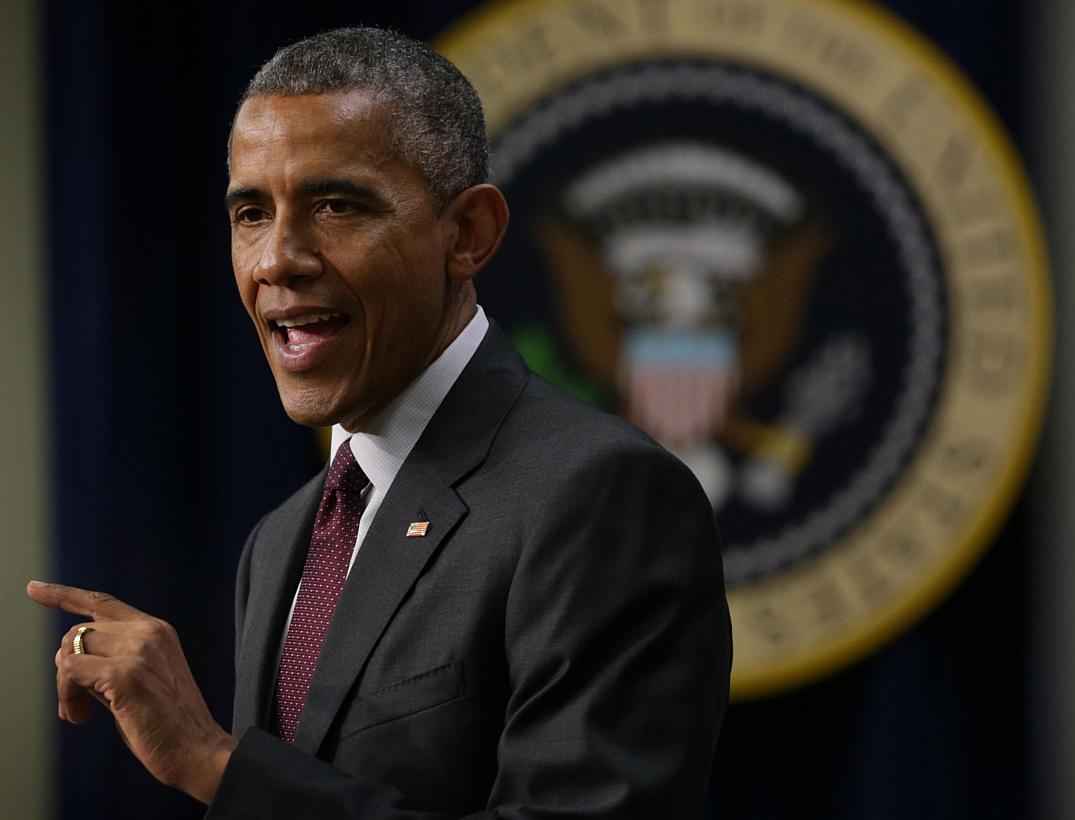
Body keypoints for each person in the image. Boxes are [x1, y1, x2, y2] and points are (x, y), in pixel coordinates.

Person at [27, 27, 732, 818]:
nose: (276, 260)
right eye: (252, 213)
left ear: (468, 234)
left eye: (336, 206)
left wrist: (212, 763)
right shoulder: (279, 541)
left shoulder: (599, 495)